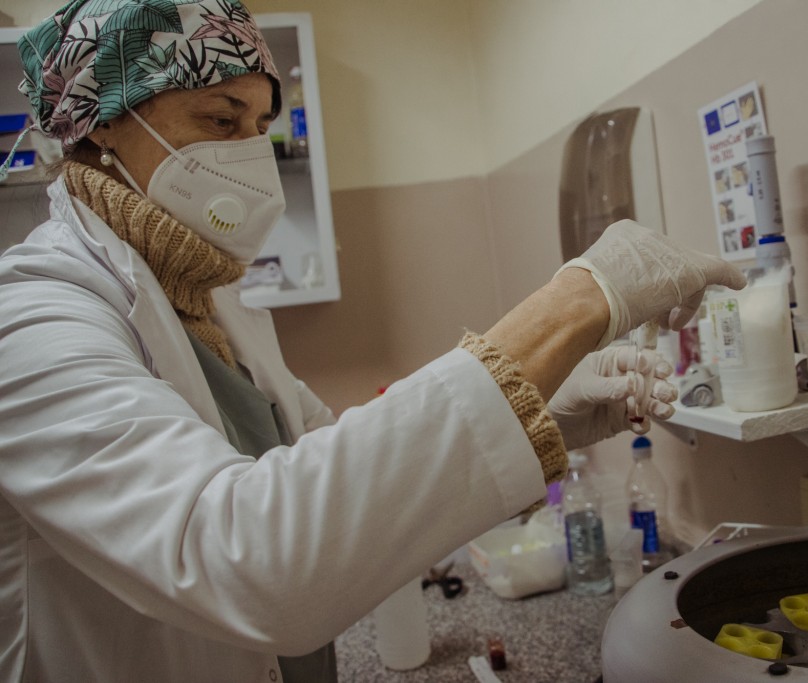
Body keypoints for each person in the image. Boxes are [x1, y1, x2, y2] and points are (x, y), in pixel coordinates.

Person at [0, 1, 746, 681]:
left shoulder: (212, 299)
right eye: (222, 121)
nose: (252, 152)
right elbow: (245, 560)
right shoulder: (35, 319)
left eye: (261, 126)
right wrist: (574, 302)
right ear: (99, 123)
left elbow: (337, 479)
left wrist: (539, 414)